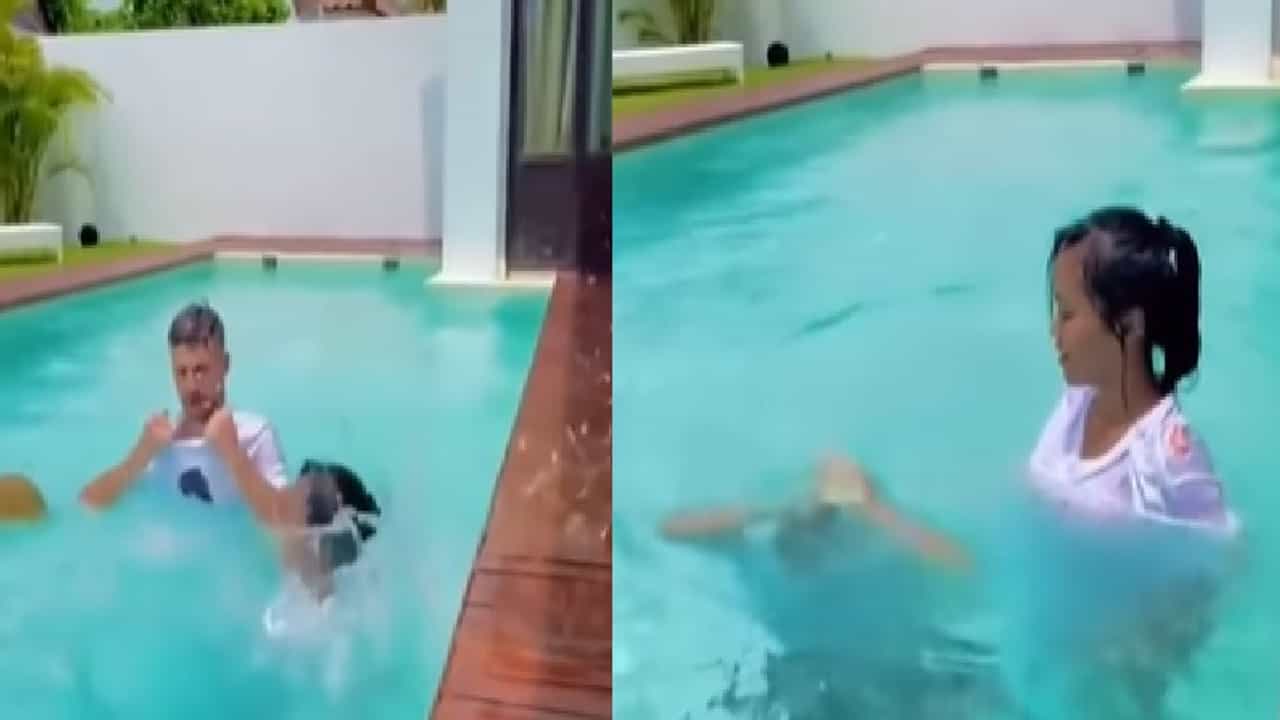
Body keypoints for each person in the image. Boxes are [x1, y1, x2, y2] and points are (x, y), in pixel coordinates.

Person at [662, 207, 1240, 717]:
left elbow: (1217, 563)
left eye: (1067, 314)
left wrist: (1146, 642)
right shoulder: (1076, 408)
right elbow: (1014, 539)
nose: (1052, 332)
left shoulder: (1166, 453)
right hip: (1027, 616)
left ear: (1129, 326)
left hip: (1084, 669)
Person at [79, 302, 295, 525]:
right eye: (181, 372)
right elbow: (88, 504)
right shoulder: (159, 440)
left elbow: (288, 522)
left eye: (201, 370)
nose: (191, 385)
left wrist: (233, 454)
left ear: (225, 365)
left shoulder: (255, 433)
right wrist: (139, 456)